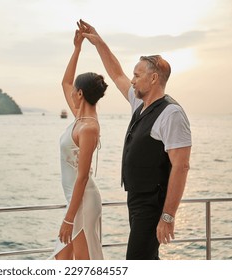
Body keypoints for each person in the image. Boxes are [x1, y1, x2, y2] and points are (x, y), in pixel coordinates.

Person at [78, 19, 192, 260]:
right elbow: (116, 72)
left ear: (153, 79)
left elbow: (181, 167)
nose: (131, 80)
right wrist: (99, 43)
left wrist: (168, 216)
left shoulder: (171, 114)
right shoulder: (139, 102)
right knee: (147, 260)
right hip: (136, 199)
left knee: (137, 261)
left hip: (153, 203)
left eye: (137, 75)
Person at [49, 25, 108, 260]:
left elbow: (82, 177)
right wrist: (77, 49)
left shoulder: (89, 127)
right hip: (74, 202)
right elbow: (64, 82)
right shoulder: (79, 117)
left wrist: (68, 219)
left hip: (82, 203)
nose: (70, 91)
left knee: (83, 263)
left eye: (75, 90)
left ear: (81, 94)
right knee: (61, 260)